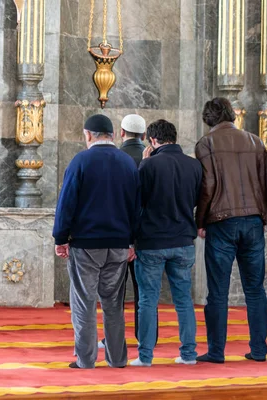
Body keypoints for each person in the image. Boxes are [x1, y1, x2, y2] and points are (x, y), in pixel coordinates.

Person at [53, 114, 140, 369]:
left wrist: (61, 237)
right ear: (112, 135)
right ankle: (117, 358)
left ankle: (86, 359)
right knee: (114, 305)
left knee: (84, 302)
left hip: (86, 245)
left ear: (88, 135)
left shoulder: (81, 160)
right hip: (119, 245)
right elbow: (137, 207)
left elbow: (66, 203)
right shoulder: (127, 163)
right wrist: (132, 241)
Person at [195, 97, 267, 364]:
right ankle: (260, 351)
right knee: (256, 289)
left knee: (218, 291)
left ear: (208, 119)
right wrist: (264, 215)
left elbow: (207, 188)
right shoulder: (255, 141)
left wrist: (200, 221)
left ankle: (216, 351)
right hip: (253, 221)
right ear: (231, 115)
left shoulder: (207, 143)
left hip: (221, 221)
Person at [130, 119, 202, 367]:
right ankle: (189, 355)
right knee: (183, 300)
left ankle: (145, 356)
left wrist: (144, 162)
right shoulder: (194, 166)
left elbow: (137, 203)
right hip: (183, 240)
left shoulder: (149, 165)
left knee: (148, 300)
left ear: (152, 140)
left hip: (151, 242)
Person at [98, 114, 158, 350]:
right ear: (144, 136)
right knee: (146, 291)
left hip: (119, 235)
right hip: (148, 236)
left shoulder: (115, 158)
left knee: (115, 292)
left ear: (121, 133)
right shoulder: (154, 159)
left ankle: (112, 338)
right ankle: (147, 337)